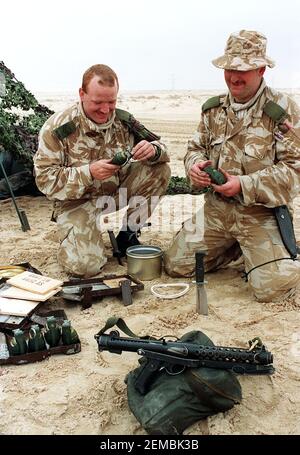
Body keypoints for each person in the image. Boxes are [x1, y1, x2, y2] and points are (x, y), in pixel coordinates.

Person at [164, 30, 300, 302]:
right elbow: (194, 149)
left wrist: (242, 184)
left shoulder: (283, 111)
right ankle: (237, 248)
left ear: (261, 69)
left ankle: (267, 253)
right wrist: (194, 167)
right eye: (229, 68)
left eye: (244, 69)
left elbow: (294, 171)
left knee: (271, 290)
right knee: (176, 266)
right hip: (217, 212)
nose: (234, 76)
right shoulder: (213, 109)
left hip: (260, 214)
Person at [34, 64, 170, 277]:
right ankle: (73, 240)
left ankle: (128, 236)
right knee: (85, 268)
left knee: (159, 170)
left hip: (115, 194)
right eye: (98, 102)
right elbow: (44, 180)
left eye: (112, 102)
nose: (106, 110)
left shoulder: (124, 121)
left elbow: (163, 149)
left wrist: (153, 150)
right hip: (77, 203)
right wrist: (88, 173)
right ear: (82, 94)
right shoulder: (58, 128)